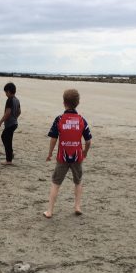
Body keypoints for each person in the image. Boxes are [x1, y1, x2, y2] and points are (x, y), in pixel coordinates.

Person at [44, 89, 92, 218]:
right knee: (78, 181)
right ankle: (77, 206)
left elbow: (53, 138)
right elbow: (88, 141)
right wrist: (85, 152)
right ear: (78, 103)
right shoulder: (81, 120)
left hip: (62, 156)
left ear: (64, 102)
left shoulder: (59, 119)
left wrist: (50, 153)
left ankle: (50, 210)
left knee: (56, 183)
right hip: (77, 156)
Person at [0, 82, 21, 165]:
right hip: (14, 123)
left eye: (6, 92)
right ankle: (10, 154)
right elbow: (19, 112)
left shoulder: (9, 100)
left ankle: (9, 160)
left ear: (9, 91)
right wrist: (15, 118)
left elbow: (7, 113)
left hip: (10, 124)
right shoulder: (17, 100)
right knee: (5, 137)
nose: (6, 94)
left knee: (7, 139)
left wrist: (0, 123)